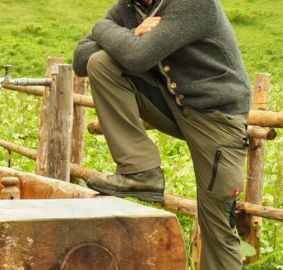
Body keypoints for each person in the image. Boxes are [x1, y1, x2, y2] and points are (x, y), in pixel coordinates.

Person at [73, 0, 251, 268]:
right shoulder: (127, 8)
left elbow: (139, 57)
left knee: (218, 225)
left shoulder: (195, 4)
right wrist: (131, 34)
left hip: (217, 120)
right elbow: (80, 59)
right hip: (172, 105)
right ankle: (140, 170)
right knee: (101, 62)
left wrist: (102, 29)